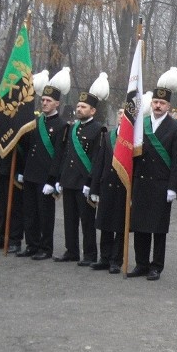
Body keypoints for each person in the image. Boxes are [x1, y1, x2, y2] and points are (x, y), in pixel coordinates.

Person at [129, 67, 177, 281]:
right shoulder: (141, 124)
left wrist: (173, 187)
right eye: (155, 102)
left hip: (162, 184)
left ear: (168, 106)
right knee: (140, 224)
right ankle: (141, 263)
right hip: (141, 182)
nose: (158, 106)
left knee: (158, 228)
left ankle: (156, 265)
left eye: (162, 103)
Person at [53, 75, 108, 266]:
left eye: (83, 107)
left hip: (84, 182)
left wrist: (90, 183)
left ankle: (90, 254)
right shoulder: (72, 128)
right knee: (69, 219)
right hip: (69, 180)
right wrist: (59, 178)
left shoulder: (98, 130)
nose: (79, 109)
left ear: (93, 110)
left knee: (87, 221)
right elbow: (65, 155)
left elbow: (96, 160)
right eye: (78, 106)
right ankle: (71, 250)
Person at [17, 68, 70, 260]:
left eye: (49, 101)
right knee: (29, 212)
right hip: (30, 173)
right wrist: (22, 171)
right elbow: (27, 146)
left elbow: (59, 155)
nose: (45, 103)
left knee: (45, 214)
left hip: (45, 177)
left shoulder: (62, 126)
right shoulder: (35, 121)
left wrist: (52, 179)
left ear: (57, 103)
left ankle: (46, 248)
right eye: (43, 100)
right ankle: (31, 244)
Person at [89, 109, 126, 273]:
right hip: (107, 185)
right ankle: (104, 257)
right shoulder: (108, 136)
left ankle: (115, 260)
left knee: (119, 225)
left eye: (125, 115)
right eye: (120, 114)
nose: (121, 117)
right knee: (105, 223)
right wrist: (95, 187)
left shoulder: (134, 140)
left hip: (123, 187)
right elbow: (100, 162)